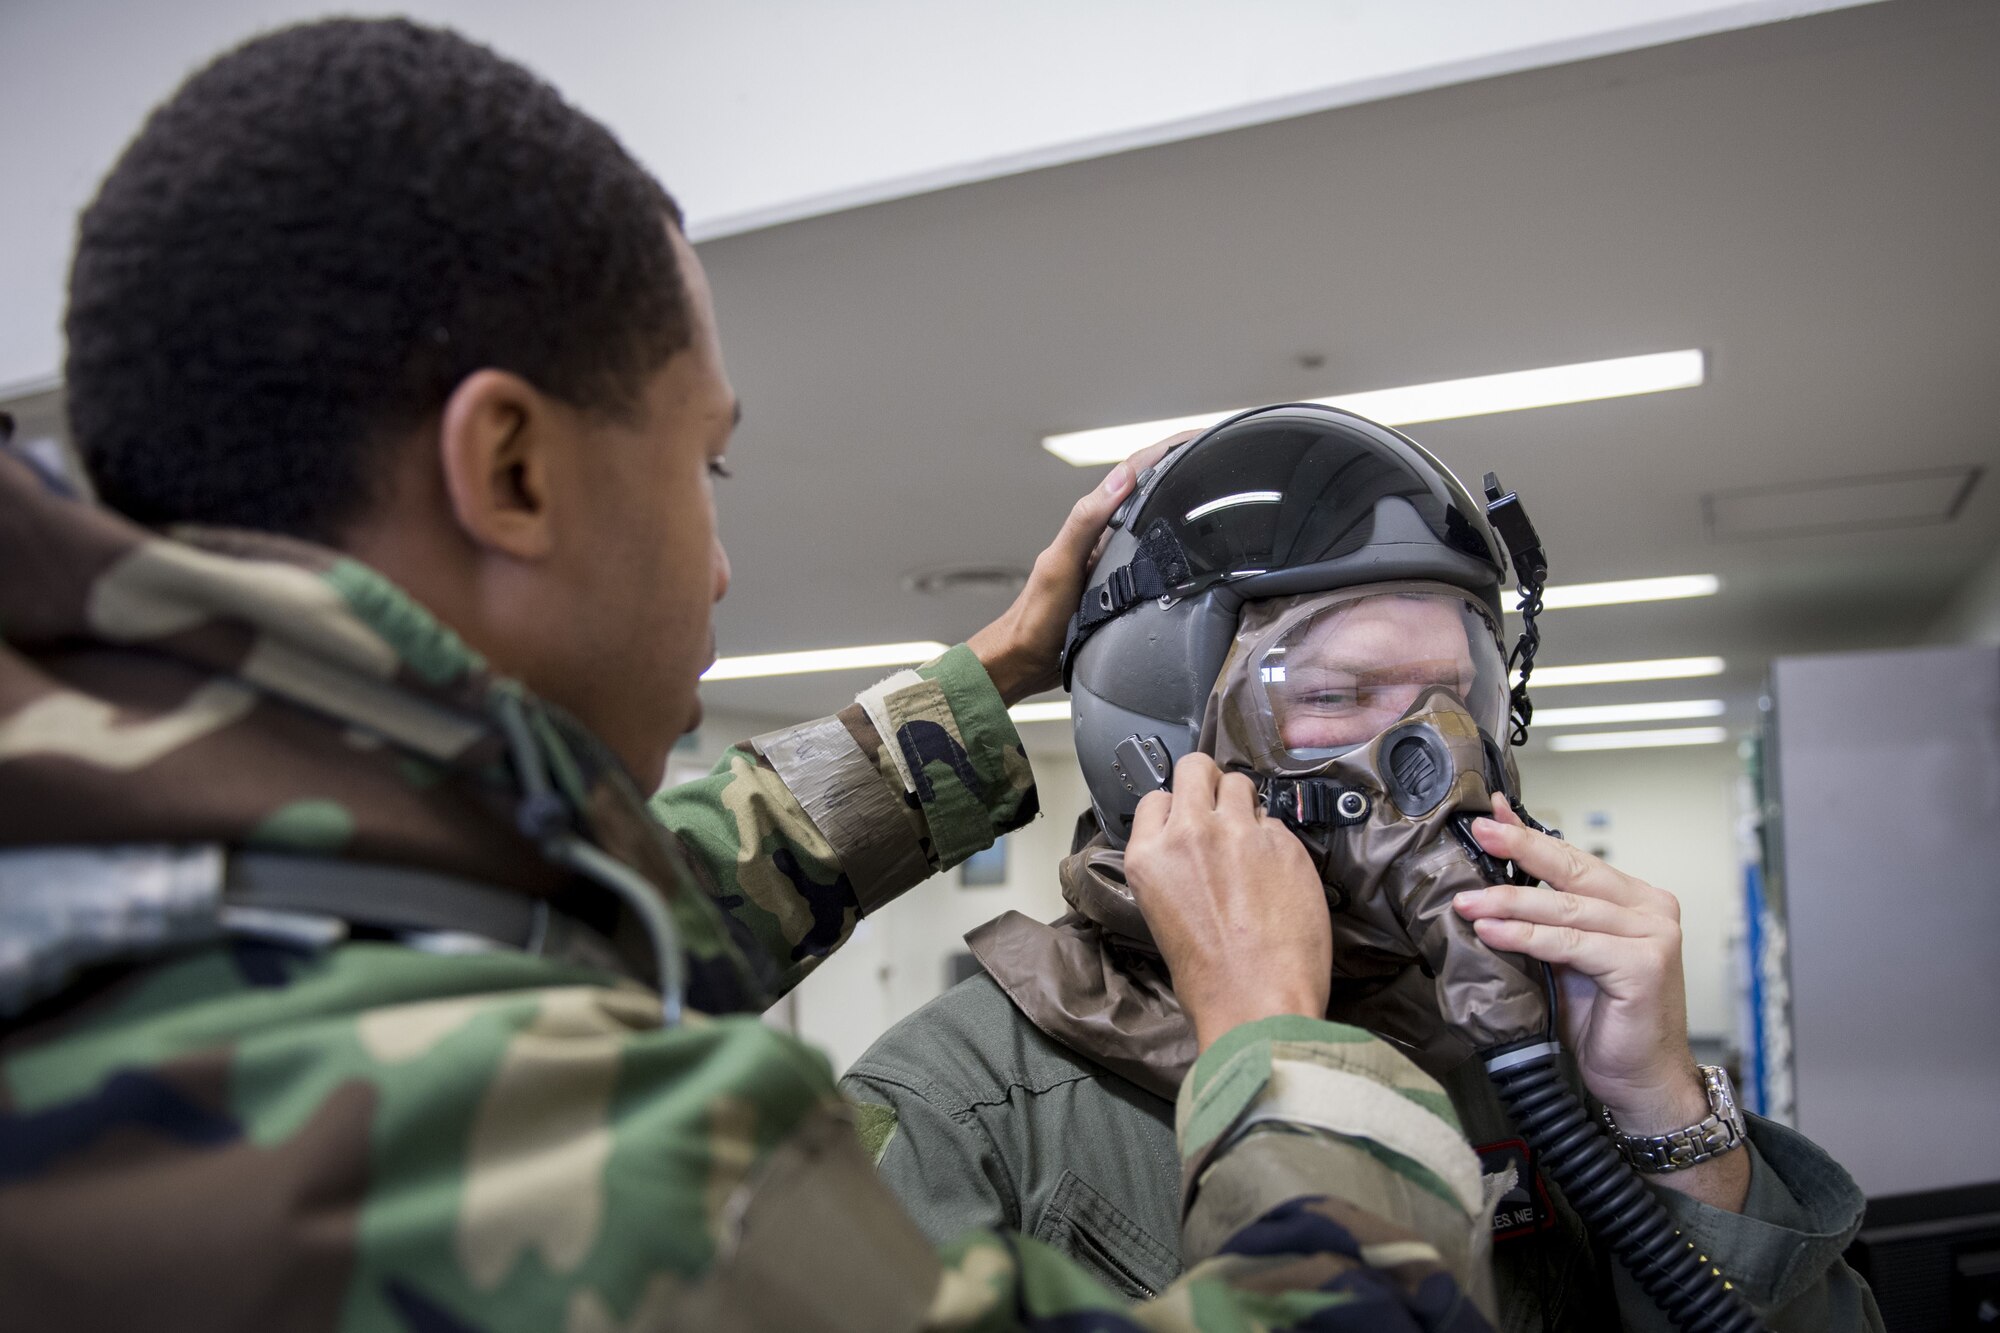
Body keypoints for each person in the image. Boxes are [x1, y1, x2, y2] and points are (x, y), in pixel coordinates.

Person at [0, 20, 1500, 1331]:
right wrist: (1274, 1042)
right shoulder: (540, 1157)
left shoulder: (163, 869)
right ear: (509, 466)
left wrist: (991, 675)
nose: (717, 563)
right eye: (702, 461)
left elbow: (616, 889)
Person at [842, 405, 1885, 1331]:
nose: (1434, 758)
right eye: (1337, 697)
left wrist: (1665, 1117)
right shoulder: (957, 1106)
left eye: (1451, 696)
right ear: (1156, 740)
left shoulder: (1548, 1041)